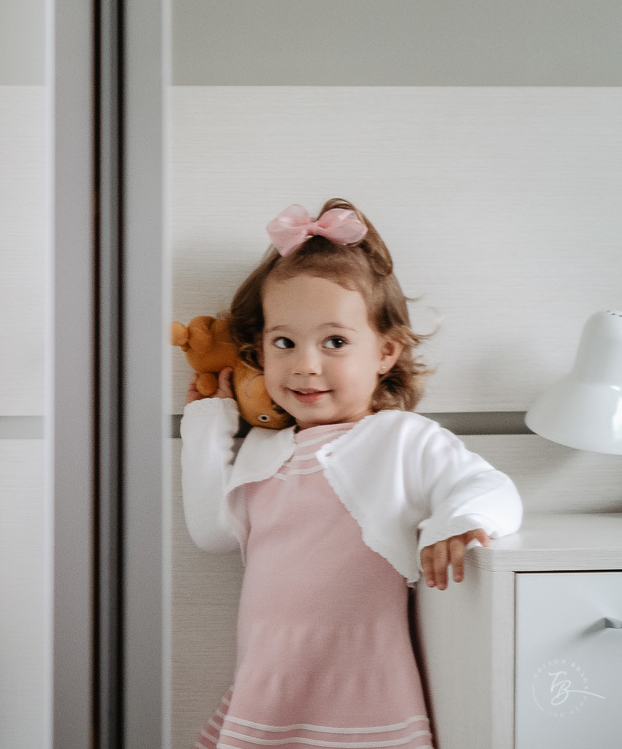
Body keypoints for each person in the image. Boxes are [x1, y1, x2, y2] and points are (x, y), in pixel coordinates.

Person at [182, 200, 522, 749]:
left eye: (334, 341)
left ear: (386, 351)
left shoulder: (400, 439)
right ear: (259, 351)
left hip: (364, 696)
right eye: (284, 342)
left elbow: (493, 489)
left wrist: (458, 522)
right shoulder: (265, 450)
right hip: (269, 687)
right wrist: (206, 421)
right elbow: (212, 532)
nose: (306, 365)